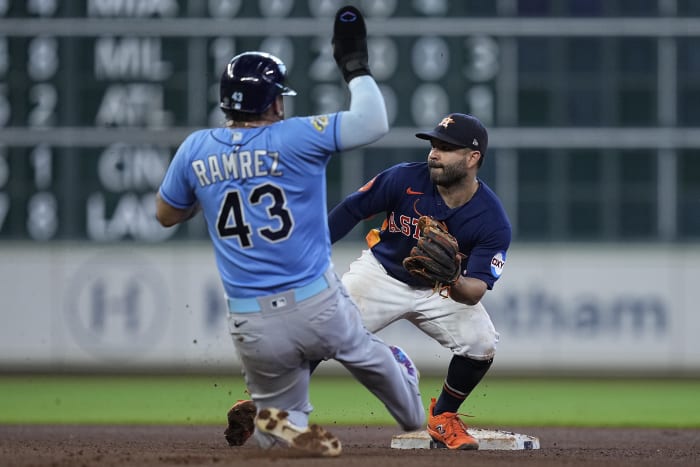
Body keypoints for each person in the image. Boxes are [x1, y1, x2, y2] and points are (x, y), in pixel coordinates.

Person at [155, 5, 424, 457]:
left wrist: (210, 188)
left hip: (252, 321)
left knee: (275, 426)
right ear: (275, 102)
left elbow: (165, 214)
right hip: (317, 305)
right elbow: (374, 122)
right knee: (378, 366)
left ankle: (282, 424)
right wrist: (353, 64)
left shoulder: (195, 149)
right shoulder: (297, 136)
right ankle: (411, 407)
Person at [327, 113, 511, 450]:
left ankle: (443, 418)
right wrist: (311, 254)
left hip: (439, 289)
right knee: (321, 332)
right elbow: (351, 210)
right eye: (434, 145)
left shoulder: (491, 220)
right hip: (381, 274)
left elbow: (473, 293)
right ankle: (269, 405)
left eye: (446, 148)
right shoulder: (404, 179)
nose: (434, 154)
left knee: (481, 343)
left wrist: (454, 278)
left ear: (473, 158)